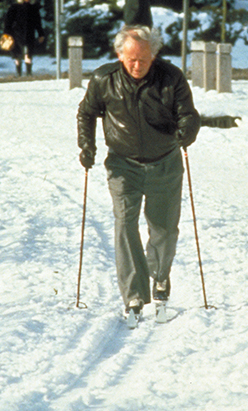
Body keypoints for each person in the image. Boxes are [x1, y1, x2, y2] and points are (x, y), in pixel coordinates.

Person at [77, 25, 200, 320]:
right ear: (120, 55)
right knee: (125, 223)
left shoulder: (171, 77)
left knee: (164, 227)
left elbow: (188, 113)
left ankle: (159, 274)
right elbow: (86, 112)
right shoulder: (103, 79)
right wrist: (87, 145)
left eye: (143, 59)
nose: (137, 65)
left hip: (164, 161)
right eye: (131, 59)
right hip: (123, 163)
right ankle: (133, 293)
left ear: (154, 55)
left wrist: (188, 130)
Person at [4, 0, 45, 75]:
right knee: (17, 55)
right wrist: (6, 33)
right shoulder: (14, 7)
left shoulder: (34, 8)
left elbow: (38, 22)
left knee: (28, 54)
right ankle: (19, 73)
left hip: (29, 34)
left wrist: (41, 34)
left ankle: (28, 73)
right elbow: (8, 21)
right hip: (15, 34)